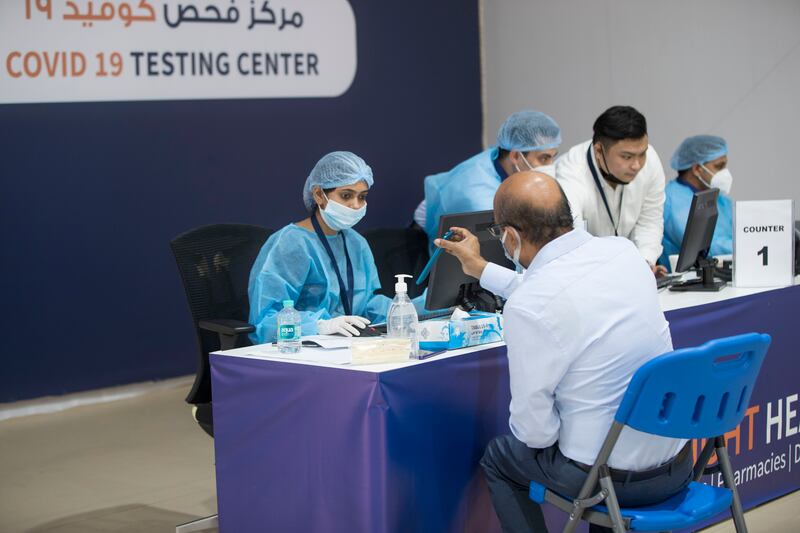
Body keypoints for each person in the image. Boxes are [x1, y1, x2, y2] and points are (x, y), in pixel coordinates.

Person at [435, 171, 692, 533]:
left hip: (609, 482)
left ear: (510, 235)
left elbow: (534, 433)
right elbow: (557, 288)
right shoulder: (623, 252)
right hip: (677, 464)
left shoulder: (529, 306)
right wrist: (480, 269)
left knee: (501, 458)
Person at [248, 151, 421, 344]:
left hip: (346, 347)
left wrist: (414, 309)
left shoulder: (357, 243)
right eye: (346, 195)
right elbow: (265, 321)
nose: (356, 205)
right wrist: (319, 326)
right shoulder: (290, 243)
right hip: (297, 351)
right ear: (319, 195)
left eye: (362, 197)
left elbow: (366, 305)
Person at [414, 110, 561, 243]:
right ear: (516, 155)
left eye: (553, 157)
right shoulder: (479, 200)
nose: (549, 165)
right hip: (423, 234)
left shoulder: (499, 158)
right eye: (543, 158)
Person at [555, 106, 667, 276]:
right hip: (586, 274)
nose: (637, 165)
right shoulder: (571, 175)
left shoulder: (650, 159)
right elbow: (571, 240)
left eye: (642, 154)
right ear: (599, 150)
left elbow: (650, 221)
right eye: (627, 157)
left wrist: (645, 263)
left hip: (626, 271)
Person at [660, 135, 733, 269]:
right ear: (697, 169)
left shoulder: (720, 198)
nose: (725, 172)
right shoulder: (671, 199)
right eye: (719, 166)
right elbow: (705, 247)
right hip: (684, 282)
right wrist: (745, 245)